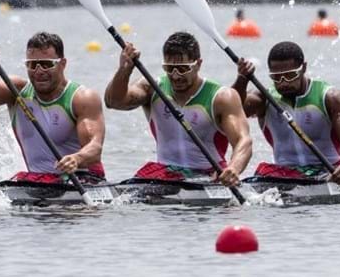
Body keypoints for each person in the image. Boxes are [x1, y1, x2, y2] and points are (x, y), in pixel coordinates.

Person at [105, 31, 252, 187]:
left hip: (209, 175)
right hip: (164, 174)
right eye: (169, 68)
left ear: (198, 64)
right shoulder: (152, 87)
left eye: (183, 68)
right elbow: (113, 102)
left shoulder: (222, 97)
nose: (175, 76)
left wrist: (234, 168)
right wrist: (124, 70)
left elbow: (244, 140)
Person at [0, 32, 106, 183]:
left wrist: (76, 158)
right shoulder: (16, 90)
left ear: (62, 64)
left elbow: (95, 148)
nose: (39, 71)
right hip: (38, 181)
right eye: (33, 65)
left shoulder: (82, 98)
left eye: (47, 64)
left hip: (81, 177)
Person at [233, 41, 340, 185]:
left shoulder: (330, 97)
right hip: (284, 175)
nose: (283, 83)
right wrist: (242, 79)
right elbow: (231, 112)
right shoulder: (263, 98)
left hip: (328, 173)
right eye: (277, 77)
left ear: (304, 68)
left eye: (290, 75)